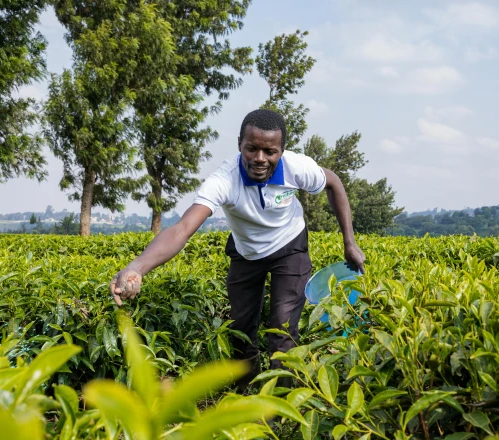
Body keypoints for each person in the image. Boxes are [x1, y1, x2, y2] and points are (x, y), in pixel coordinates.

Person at [110, 109, 365, 388]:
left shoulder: (296, 167)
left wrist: (349, 242)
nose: (260, 158)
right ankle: (246, 388)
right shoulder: (224, 179)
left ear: (281, 150)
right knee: (240, 330)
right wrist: (136, 268)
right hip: (246, 254)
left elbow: (334, 183)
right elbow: (182, 229)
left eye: (270, 151)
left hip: (290, 247)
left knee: (281, 330)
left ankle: (280, 402)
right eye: (251, 148)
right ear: (239, 144)